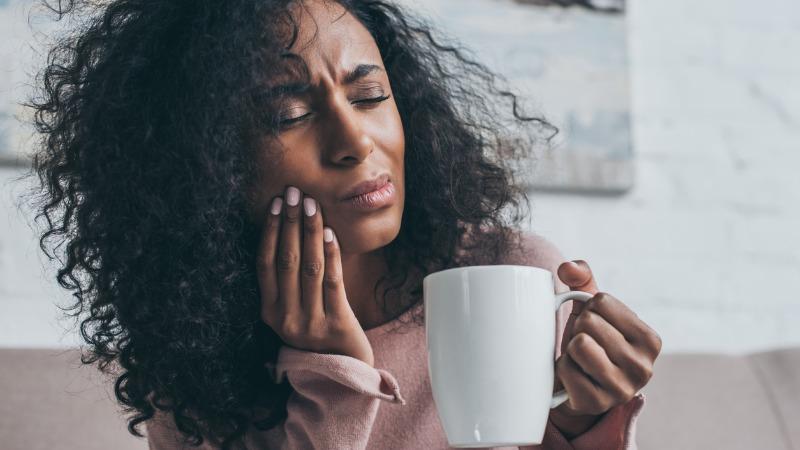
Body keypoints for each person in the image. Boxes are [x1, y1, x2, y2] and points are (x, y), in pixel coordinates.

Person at [23, 0, 662, 448]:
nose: (354, 141)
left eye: (369, 96)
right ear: (206, 164)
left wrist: (584, 423)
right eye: (290, 113)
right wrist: (334, 380)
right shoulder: (189, 358)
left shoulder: (517, 272)